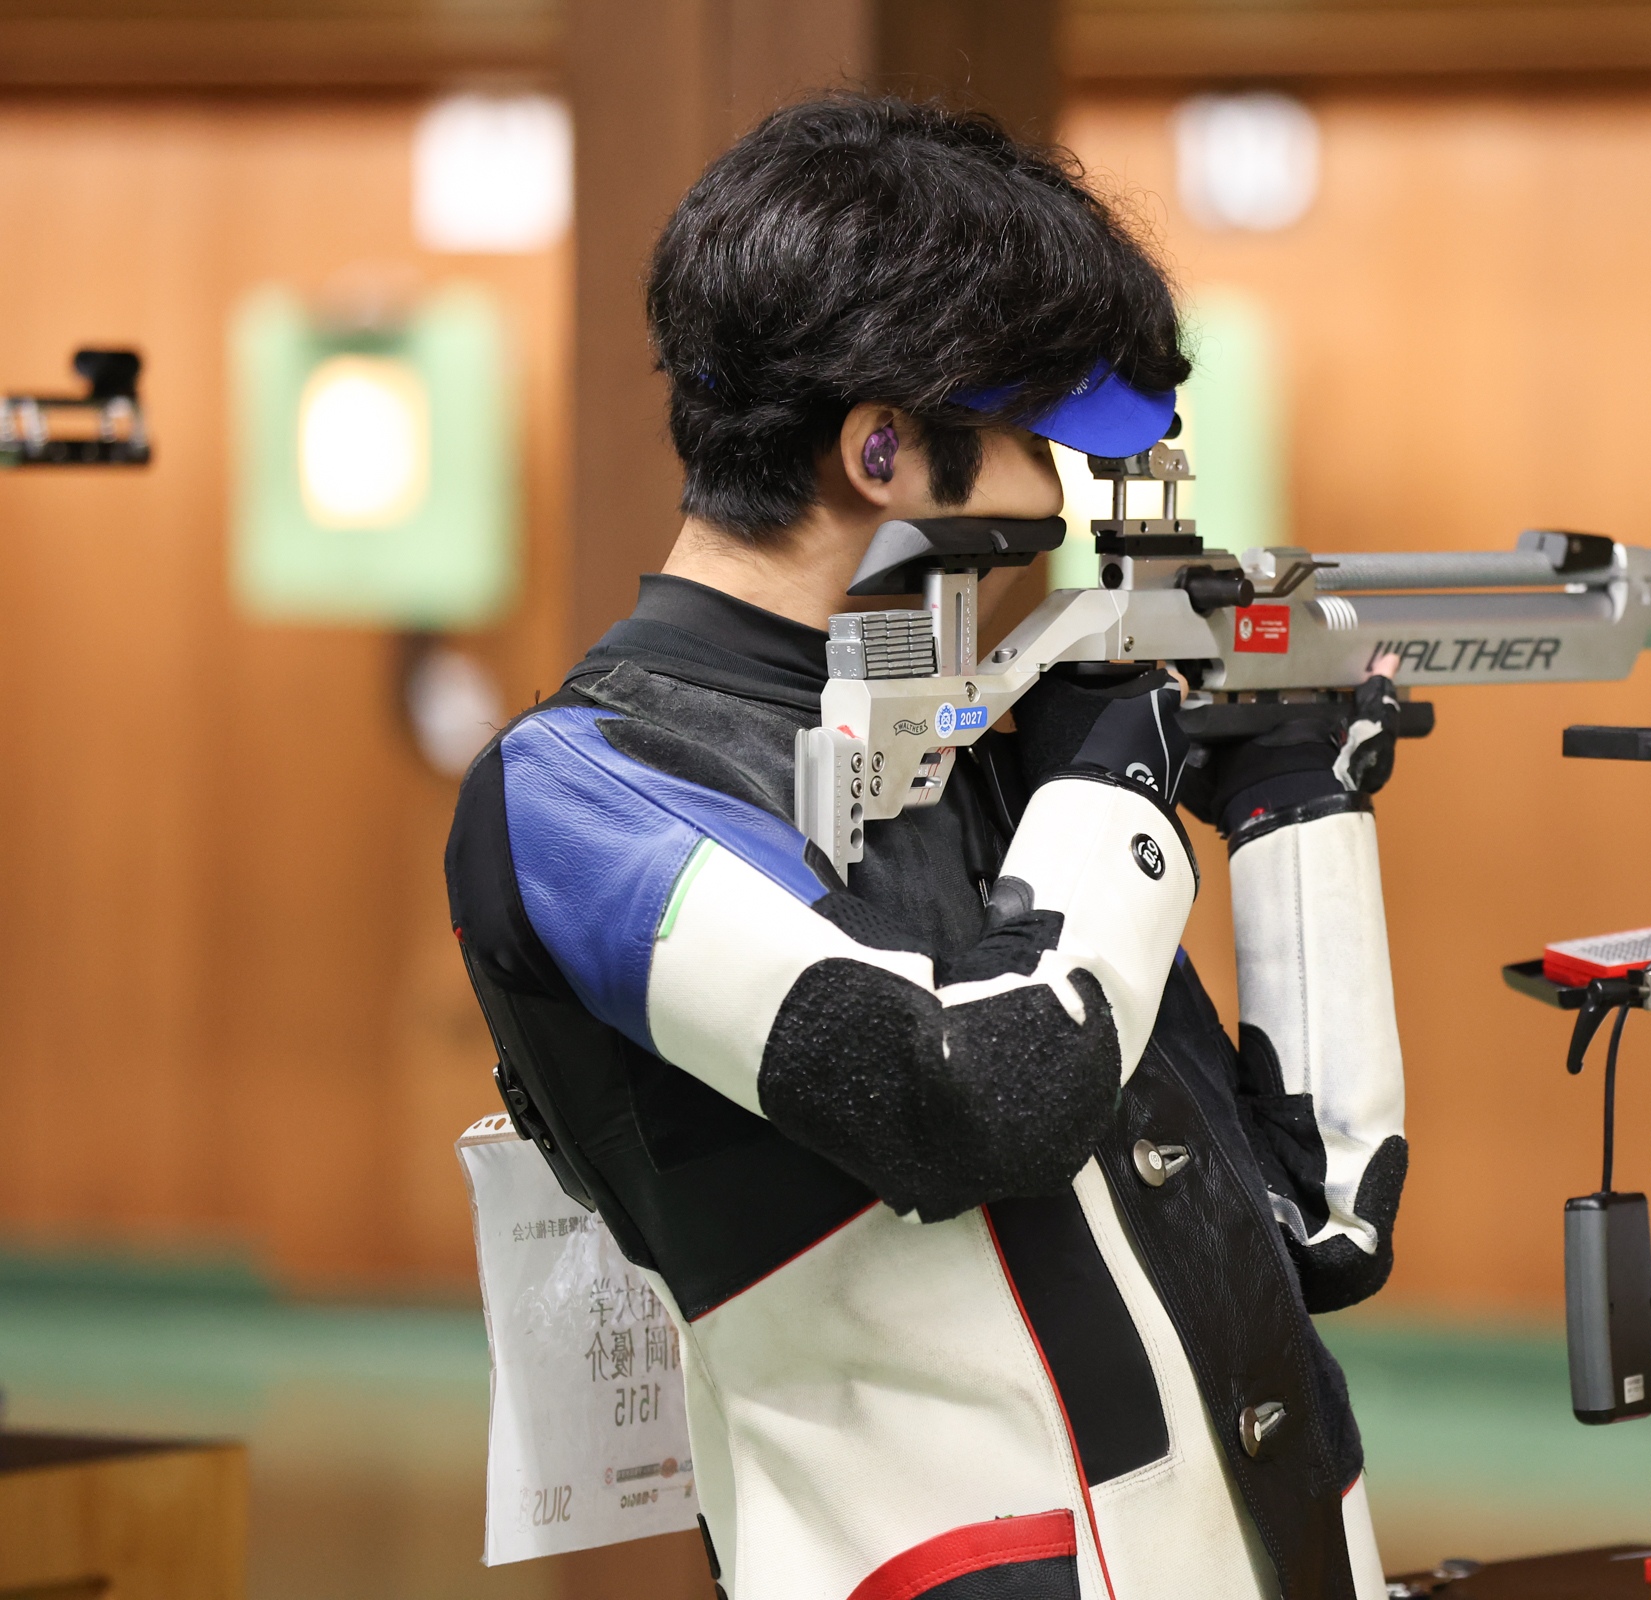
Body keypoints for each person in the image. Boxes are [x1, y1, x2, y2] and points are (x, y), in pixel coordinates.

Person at [446, 95, 1410, 1600]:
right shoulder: (582, 795)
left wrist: (1301, 810)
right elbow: (976, 1104)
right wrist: (1118, 792)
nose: (1063, 495)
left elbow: (1321, 1227)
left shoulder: (972, 749)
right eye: (1036, 437)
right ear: (882, 448)